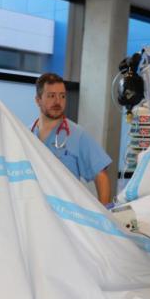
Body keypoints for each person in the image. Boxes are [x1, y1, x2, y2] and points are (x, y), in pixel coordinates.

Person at [32, 73, 112, 204]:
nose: (58, 101)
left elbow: (101, 176)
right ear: (38, 100)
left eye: (62, 96)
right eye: (51, 96)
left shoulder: (77, 135)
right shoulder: (26, 134)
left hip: (65, 212)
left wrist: (104, 212)